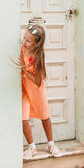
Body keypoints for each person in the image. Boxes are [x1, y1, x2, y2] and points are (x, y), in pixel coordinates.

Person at [19, 24, 62, 160]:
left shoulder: (38, 57)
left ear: (37, 44)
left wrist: (25, 70)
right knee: (23, 118)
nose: (23, 42)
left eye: (28, 40)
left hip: (36, 90)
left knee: (45, 116)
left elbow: (38, 81)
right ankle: (32, 147)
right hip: (24, 89)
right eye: (24, 38)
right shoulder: (20, 50)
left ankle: (51, 144)